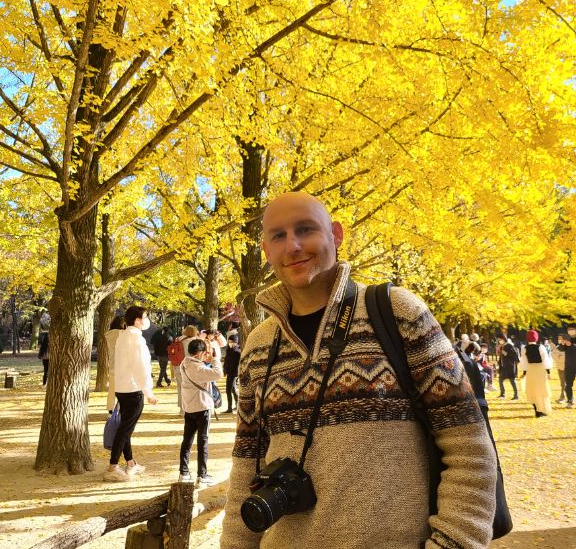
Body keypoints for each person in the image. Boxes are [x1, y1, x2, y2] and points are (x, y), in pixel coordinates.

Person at [220, 191, 496, 549]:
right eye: (278, 235)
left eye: (306, 229)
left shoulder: (398, 313)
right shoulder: (259, 345)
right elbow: (246, 470)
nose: (293, 245)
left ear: (336, 234)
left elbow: (470, 451)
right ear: (266, 250)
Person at [104, 306, 158, 482]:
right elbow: (140, 366)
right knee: (125, 429)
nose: (146, 320)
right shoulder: (136, 339)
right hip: (133, 389)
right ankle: (113, 466)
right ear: (137, 320)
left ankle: (131, 463)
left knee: (125, 428)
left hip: (121, 387)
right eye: (145, 317)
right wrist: (148, 391)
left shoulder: (122, 336)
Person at [178, 338, 223, 486]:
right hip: (202, 407)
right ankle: (202, 475)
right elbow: (218, 374)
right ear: (200, 353)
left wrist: (206, 359)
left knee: (187, 440)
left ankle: (183, 472)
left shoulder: (184, 363)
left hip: (189, 407)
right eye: (204, 353)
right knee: (203, 441)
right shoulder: (199, 368)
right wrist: (215, 359)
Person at [520, 329, 552, 417]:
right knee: (542, 390)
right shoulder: (541, 347)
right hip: (540, 369)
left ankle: (537, 411)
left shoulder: (524, 348)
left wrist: (524, 373)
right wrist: (548, 372)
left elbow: (524, 362)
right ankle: (542, 410)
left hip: (531, 370)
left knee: (533, 390)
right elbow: (545, 360)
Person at [106, 316, 126, 412]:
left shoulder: (108, 335)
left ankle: (110, 409)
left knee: (112, 389)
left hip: (113, 364)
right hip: (123, 365)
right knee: (124, 389)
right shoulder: (122, 333)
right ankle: (122, 408)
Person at [497, 333, 520, 400]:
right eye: (498, 339)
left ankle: (516, 395)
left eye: (500, 339)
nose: (499, 341)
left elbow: (513, 356)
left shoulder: (509, 345)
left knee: (512, 380)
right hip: (503, 366)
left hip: (510, 366)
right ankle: (502, 394)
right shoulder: (502, 346)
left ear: (503, 339)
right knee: (500, 379)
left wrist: (503, 352)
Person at [557, 326, 576, 408]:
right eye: (569, 329)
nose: (570, 331)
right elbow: (561, 349)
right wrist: (562, 343)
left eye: (572, 329)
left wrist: (571, 345)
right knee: (568, 384)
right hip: (569, 365)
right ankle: (570, 400)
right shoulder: (567, 338)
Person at [224, 334, 241, 413]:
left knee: (228, 390)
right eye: (229, 341)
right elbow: (226, 361)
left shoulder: (237, 351)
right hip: (229, 373)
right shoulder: (229, 350)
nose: (230, 343)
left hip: (234, 373)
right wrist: (225, 370)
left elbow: (238, 364)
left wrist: (236, 373)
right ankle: (237, 406)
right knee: (233, 390)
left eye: (232, 342)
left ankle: (229, 408)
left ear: (236, 342)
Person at [553, 335, 567, 403]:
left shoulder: (568, 347)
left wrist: (559, 356)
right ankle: (567, 396)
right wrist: (559, 356)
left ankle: (562, 397)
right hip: (559, 367)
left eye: (560, 339)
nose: (559, 340)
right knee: (562, 383)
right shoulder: (557, 347)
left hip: (566, 367)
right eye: (558, 339)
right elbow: (553, 355)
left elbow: (566, 358)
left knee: (563, 383)